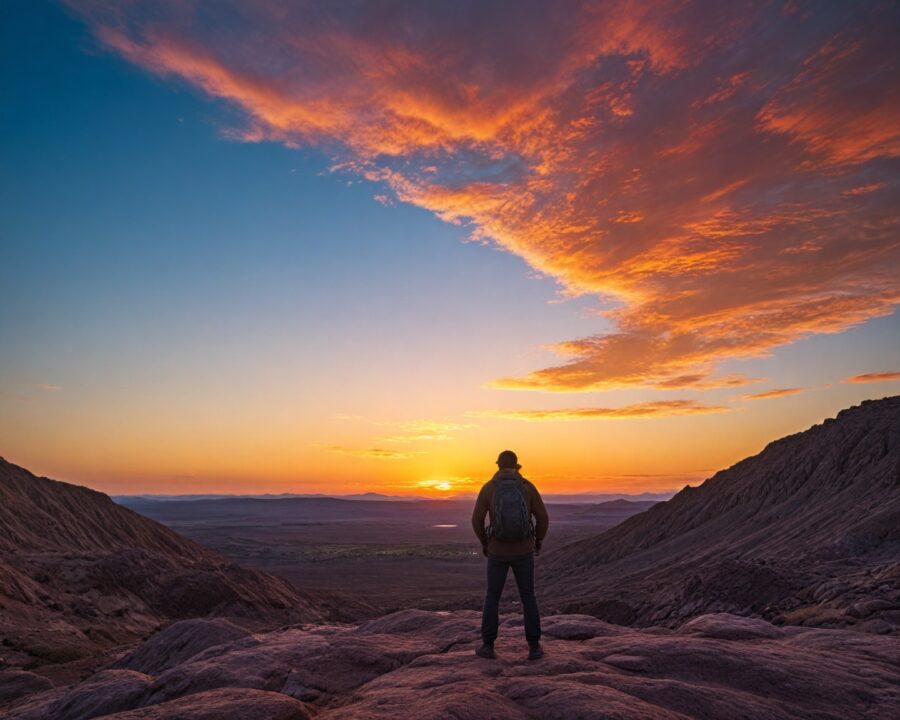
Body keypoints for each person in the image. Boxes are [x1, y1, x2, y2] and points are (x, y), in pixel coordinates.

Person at [471, 450, 549, 660]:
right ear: (517, 466)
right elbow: (543, 517)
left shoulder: (489, 488)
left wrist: (486, 543)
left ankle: (488, 646)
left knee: (492, 597)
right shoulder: (527, 487)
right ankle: (533, 646)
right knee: (528, 597)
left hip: (497, 551)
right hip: (524, 551)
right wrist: (537, 540)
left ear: (497, 465)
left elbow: (476, 519)